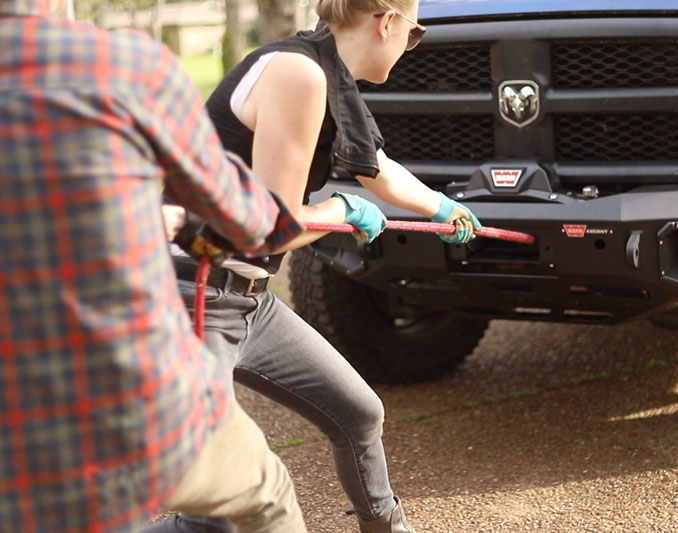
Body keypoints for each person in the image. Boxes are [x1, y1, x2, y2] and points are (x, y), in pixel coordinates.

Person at [146, 1, 483, 532]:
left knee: (358, 414)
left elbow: (378, 168)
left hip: (247, 302)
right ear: (387, 22)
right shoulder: (297, 73)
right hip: (192, 298)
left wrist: (441, 207)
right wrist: (340, 210)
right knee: (214, 517)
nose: (409, 46)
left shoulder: (325, 71)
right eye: (414, 34)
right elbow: (269, 230)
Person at [0, 0, 309, 530]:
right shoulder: (124, 67)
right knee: (268, 495)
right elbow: (260, 227)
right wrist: (188, 227)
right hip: (136, 420)